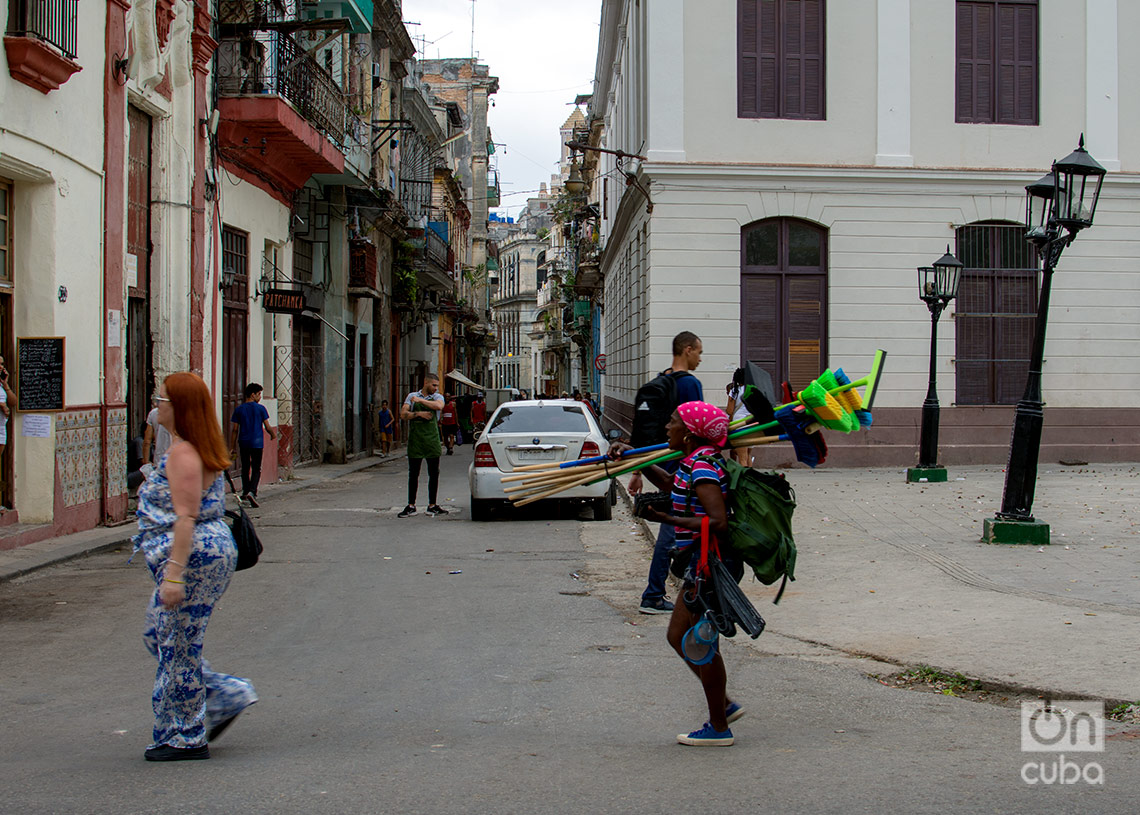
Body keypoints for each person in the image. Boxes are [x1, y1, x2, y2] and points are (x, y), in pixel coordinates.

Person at [132, 372, 257, 761]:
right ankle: (223, 692)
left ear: (179, 407)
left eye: (162, 399)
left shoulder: (184, 454)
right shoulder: (191, 447)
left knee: (178, 646)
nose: (157, 406)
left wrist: (173, 576)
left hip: (195, 557)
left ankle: (185, 735)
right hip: (205, 553)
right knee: (160, 635)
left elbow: (185, 518)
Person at [610, 400, 743, 746]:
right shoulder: (691, 463)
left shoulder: (703, 468)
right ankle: (723, 705)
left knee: (701, 643)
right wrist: (636, 456)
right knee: (678, 637)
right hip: (697, 565)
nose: (667, 428)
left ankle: (719, 726)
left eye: (673, 423)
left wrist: (665, 519)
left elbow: (717, 522)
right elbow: (672, 484)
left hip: (710, 566)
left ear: (689, 434)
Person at [629, 331, 704, 614]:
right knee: (672, 532)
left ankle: (666, 590)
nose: (700, 357)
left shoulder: (662, 381)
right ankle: (654, 595)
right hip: (683, 472)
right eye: (698, 352)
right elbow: (697, 427)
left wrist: (638, 471)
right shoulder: (689, 385)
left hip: (660, 465)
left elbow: (645, 432)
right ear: (687, 350)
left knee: (674, 530)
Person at [398, 373, 447, 517]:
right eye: (433, 385)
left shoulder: (437, 397)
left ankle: (432, 504)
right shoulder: (411, 396)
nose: (436, 388)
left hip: (432, 439)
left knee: (434, 473)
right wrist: (418, 414)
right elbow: (403, 414)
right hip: (416, 440)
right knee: (413, 473)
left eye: (437, 386)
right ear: (425, 382)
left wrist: (420, 401)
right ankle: (411, 505)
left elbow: (439, 406)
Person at [229, 383, 276, 508]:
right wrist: (273, 435)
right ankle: (252, 491)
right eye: (259, 394)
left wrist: (232, 447)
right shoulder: (261, 409)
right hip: (257, 443)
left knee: (245, 467)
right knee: (256, 468)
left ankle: (245, 491)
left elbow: (234, 429)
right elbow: (267, 426)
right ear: (252, 394)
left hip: (243, 442)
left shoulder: (239, 409)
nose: (260, 397)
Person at [725, 368, 752, 467]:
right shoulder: (752, 389)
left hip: (739, 424)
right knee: (748, 455)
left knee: (742, 458)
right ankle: (751, 478)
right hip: (751, 424)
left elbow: (729, 410)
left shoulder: (735, 391)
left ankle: (744, 480)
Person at [144, 395, 174, 466]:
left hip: (159, 458)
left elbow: (147, 441)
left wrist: (146, 462)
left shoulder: (153, 413)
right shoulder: (178, 413)